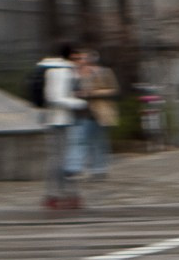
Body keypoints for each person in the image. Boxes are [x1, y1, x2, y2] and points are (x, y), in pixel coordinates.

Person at [37, 44, 88, 210]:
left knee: (62, 160)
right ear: (70, 56)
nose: (80, 61)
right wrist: (79, 103)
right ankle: (58, 196)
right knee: (61, 161)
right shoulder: (61, 71)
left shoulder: (58, 69)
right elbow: (55, 97)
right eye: (77, 58)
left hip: (59, 120)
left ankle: (62, 195)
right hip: (59, 121)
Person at [79, 49, 119, 179]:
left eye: (85, 58)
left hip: (101, 111)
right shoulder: (80, 74)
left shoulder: (105, 72)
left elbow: (113, 89)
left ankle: (100, 168)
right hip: (85, 112)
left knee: (100, 141)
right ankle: (91, 168)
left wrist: (94, 93)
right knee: (86, 141)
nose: (84, 61)